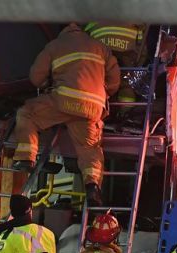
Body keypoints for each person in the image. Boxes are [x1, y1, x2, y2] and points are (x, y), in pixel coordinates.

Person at [11, 23, 120, 206]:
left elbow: (35, 77)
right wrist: (101, 94)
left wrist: (47, 85)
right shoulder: (100, 47)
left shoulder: (54, 45)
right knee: (89, 149)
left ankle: (26, 159)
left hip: (64, 101)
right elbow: (114, 79)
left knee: (26, 114)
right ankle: (92, 185)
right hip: (93, 108)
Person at [84, 22, 146, 104]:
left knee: (99, 81)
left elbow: (84, 30)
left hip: (99, 47)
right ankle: (125, 112)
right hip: (127, 49)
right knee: (127, 84)